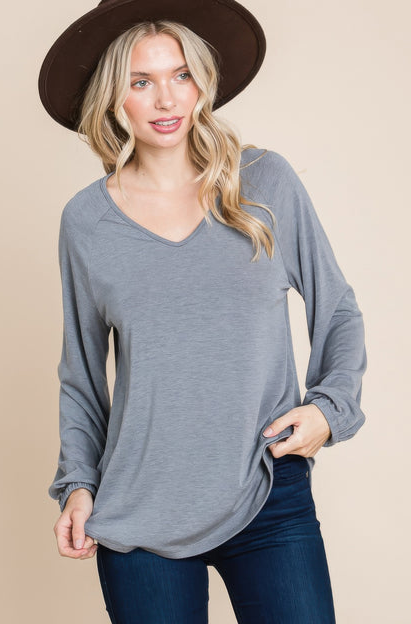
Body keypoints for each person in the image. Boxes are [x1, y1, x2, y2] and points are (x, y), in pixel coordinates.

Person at [38, 1, 367, 622]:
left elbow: (339, 311)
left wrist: (330, 410)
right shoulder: (86, 222)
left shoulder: (264, 182)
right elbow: (80, 375)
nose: (166, 99)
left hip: (266, 490)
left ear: (202, 84)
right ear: (113, 96)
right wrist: (78, 484)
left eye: (181, 75)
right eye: (141, 81)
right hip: (140, 506)